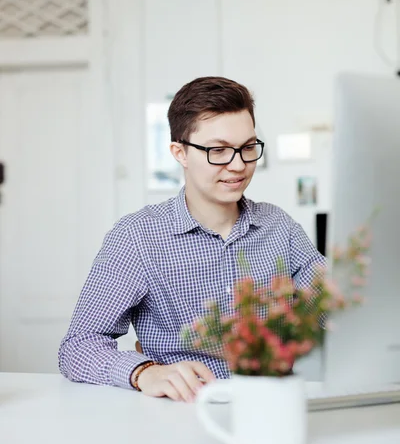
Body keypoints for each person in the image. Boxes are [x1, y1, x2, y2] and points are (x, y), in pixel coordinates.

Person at [59, 77, 326, 403]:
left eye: (248, 147)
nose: (239, 164)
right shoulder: (137, 238)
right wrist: (144, 372)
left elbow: (336, 307)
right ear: (180, 152)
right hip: (182, 413)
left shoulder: (279, 227)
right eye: (218, 150)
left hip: (271, 407)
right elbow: (77, 345)